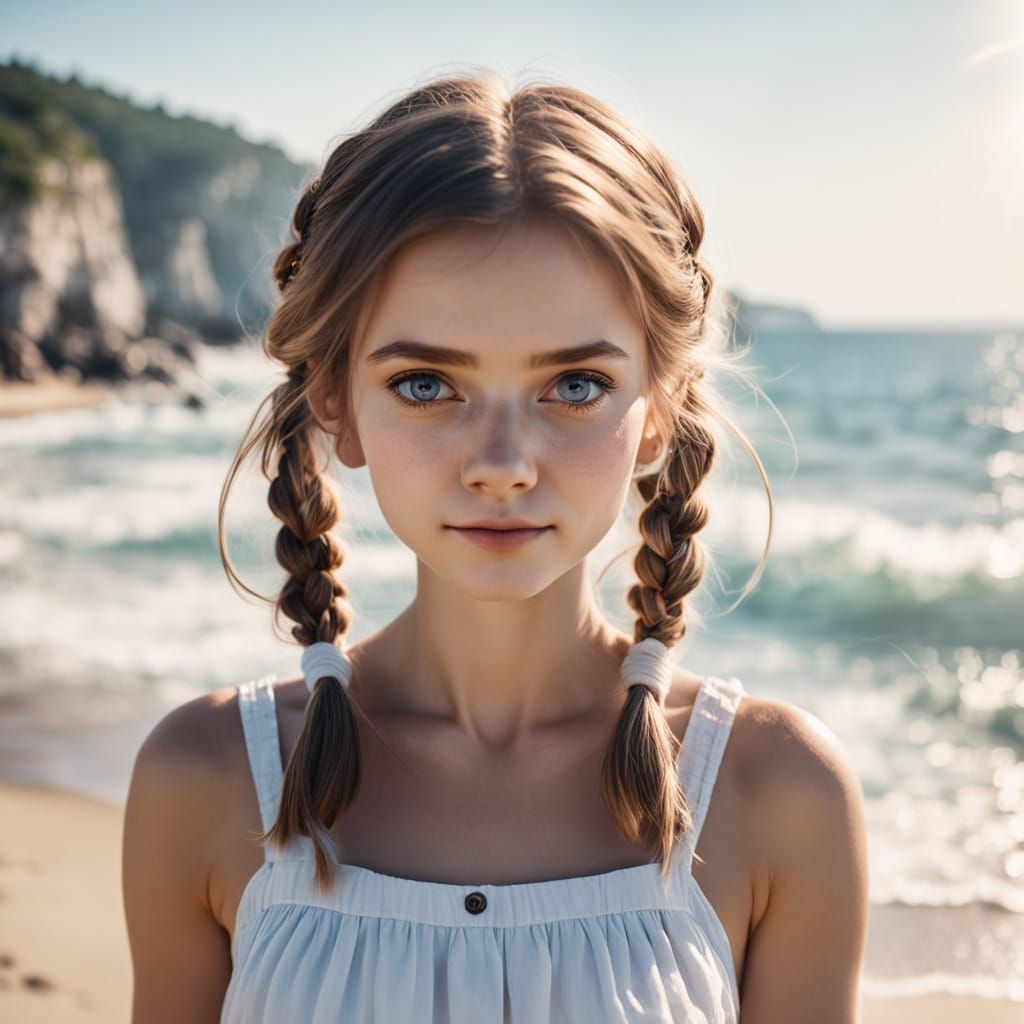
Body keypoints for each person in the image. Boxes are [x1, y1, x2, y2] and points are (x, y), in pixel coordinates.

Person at [122, 68, 869, 1023]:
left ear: (661, 408)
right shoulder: (208, 779)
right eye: (428, 384)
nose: (504, 465)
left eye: (577, 385)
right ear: (335, 400)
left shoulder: (777, 794)